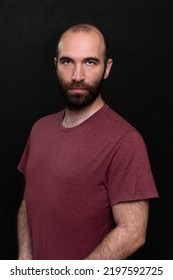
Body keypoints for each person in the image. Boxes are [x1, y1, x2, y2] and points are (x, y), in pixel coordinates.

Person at [17, 23, 158, 260]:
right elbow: (28, 202)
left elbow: (132, 232)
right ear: (56, 65)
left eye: (90, 62)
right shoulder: (39, 129)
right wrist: (24, 263)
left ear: (107, 68)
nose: (77, 76)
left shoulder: (125, 140)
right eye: (67, 61)